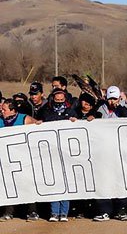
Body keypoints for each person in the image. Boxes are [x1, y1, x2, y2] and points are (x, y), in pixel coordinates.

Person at [93, 86, 127, 222]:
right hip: (104, 151)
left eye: (115, 98)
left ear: (119, 98)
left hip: (121, 151)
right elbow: (93, 120)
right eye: (110, 98)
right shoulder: (100, 108)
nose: (112, 101)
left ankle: (122, 210)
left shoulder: (126, 108)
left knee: (122, 181)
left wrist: (120, 107)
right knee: (104, 181)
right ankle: (104, 211)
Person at [39, 88, 78, 221]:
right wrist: (38, 124)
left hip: (66, 152)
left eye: (62, 100)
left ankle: (64, 212)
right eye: (57, 100)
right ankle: (54, 212)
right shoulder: (46, 111)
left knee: (65, 182)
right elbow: (38, 123)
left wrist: (75, 121)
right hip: (50, 152)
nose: (59, 102)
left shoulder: (71, 112)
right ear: (52, 99)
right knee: (54, 182)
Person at [0, 98, 40, 221]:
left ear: (12, 110)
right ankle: (8, 212)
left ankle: (32, 211)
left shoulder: (24, 119)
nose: (1, 111)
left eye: (4, 109)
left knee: (27, 184)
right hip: (6, 158)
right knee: (8, 185)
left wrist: (38, 124)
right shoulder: (0, 120)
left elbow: (39, 130)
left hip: (24, 158)